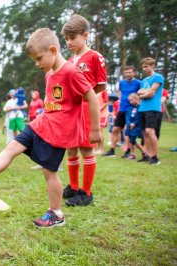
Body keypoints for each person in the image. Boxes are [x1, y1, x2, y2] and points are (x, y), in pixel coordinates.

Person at [0, 28, 101, 228]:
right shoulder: (49, 74)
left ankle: (56, 214)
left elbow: (91, 96)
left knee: (49, 172)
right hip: (41, 125)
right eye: (34, 60)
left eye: (39, 58)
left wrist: (95, 130)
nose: (37, 64)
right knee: (11, 147)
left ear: (53, 50)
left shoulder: (72, 72)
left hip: (58, 132)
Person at [61, 14, 107, 207]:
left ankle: (86, 193)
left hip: (87, 110)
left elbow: (101, 85)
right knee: (71, 149)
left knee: (87, 149)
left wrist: (84, 96)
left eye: (73, 38)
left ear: (85, 35)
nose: (69, 42)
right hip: (72, 111)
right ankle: (73, 186)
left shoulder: (95, 57)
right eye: (66, 39)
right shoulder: (69, 61)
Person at [104, 66, 141, 157]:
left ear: (134, 73)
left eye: (130, 72)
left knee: (127, 131)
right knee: (115, 129)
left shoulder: (138, 83)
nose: (128, 74)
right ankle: (112, 150)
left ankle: (128, 151)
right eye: (126, 72)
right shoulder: (121, 83)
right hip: (121, 109)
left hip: (131, 110)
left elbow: (140, 95)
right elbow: (120, 92)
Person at [137, 57, 164, 165]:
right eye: (143, 67)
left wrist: (143, 93)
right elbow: (139, 92)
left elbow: (152, 92)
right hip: (142, 108)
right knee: (144, 133)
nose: (144, 69)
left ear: (152, 66)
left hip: (153, 108)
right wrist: (145, 93)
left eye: (146, 66)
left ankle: (155, 157)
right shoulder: (143, 80)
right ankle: (148, 155)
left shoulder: (158, 77)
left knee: (150, 131)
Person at [125, 93, 145, 160]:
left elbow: (139, 118)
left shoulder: (141, 108)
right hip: (129, 127)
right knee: (130, 140)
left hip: (136, 127)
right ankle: (132, 154)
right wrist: (129, 123)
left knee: (132, 140)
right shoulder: (129, 109)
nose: (130, 102)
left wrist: (134, 124)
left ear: (137, 99)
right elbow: (127, 117)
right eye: (129, 100)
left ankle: (143, 151)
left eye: (131, 100)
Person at [94, 90, 109, 154]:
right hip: (95, 114)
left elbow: (106, 102)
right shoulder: (93, 90)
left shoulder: (103, 91)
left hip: (102, 114)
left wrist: (99, 109)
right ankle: (97, 148)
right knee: (96, 131)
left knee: (100, 131)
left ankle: (101, 149)